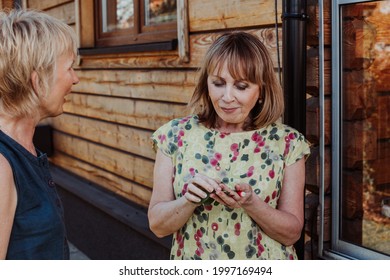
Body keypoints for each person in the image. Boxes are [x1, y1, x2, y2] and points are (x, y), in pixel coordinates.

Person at [148, 31, 310, 260]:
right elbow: (157, 225)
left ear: (261, 89)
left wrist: (251, 203)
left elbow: (292, 234)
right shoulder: (175, 136)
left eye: (241, 86)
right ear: (207, 83)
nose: (227, 97)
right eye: (218, 83)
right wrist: (188, 200)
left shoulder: (287, 143)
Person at [0, 9, 79, 259]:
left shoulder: (24, 147)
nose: (75, 79)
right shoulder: (1, 165)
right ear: (38, 81)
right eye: (70, 68)